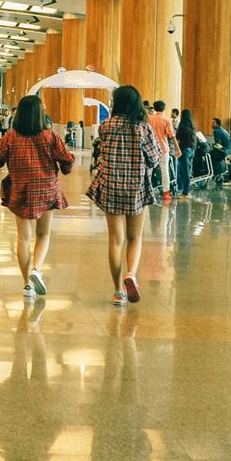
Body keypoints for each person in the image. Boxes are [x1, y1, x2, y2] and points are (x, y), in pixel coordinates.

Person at [0, 94, 73, 297]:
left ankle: (27, 284)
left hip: (21, 190)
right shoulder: (49, 136)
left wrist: (2, 162)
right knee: (43, 234)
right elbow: (67, 159)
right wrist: (66, 167)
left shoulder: (11, 136)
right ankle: (37, 269)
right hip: (47, 189)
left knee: (23, 238)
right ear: (39, 114)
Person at [88, 85, 163, 306]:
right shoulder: (143, 128)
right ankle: (131, 273)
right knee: (135, 238)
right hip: (135, 188)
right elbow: (153, 158)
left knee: (115, 239)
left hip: (111, 186)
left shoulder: (106, 126)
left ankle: (118, 291)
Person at [146, 100, 173, 199]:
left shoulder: (149, 119)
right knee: (165, 170)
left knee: (149, 170)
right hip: (164, 149)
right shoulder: (166, 120)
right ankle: (166, 193)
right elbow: (171, 135)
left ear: (154, 108)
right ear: (164, 108)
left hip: (151, 148)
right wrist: (178, 149)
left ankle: (147, 191)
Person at [174, 108, 196, 195]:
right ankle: (183, 190)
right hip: (191, 151)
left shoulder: (182, 126)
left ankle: (185, 192)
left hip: (184, 150)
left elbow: (176, 137)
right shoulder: (192, 126)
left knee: (185, 172)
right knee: (186, 171)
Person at [209, 118, 231, 185]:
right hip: (228, 150)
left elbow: (218, 144)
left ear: (217, 124)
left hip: (224, 151)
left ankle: (215, 173)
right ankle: (220, 173)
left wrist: (211, 146)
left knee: (209, 154)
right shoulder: (223, 130)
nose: (212, 124)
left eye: (213, 123)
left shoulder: (216, 131)